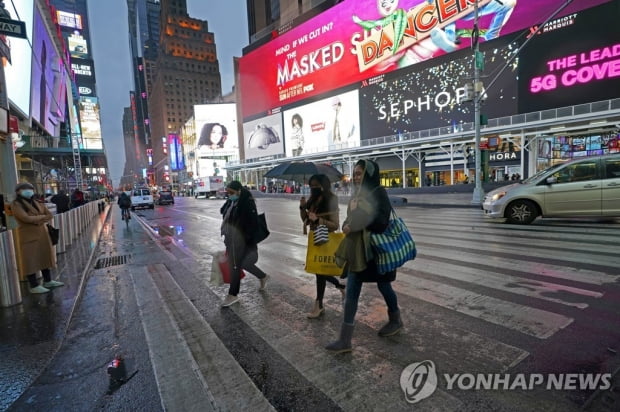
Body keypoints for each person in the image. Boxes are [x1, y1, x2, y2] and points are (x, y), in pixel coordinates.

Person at [326, 159, 403, 353]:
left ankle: (396, 319)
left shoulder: (378, 193)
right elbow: (351, 217)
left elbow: (381, 222)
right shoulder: (357, 194)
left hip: (376, 252)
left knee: (384, 285)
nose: (356, 177)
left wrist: (357, 224)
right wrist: (346, 224)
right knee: (352, 289)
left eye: (360, 173)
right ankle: (345, 340)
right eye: (355, 173)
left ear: (369, 174)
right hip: (358, 251)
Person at [300, 174, 345, 319]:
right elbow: (306, 221)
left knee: (319, 271)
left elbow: (335, 225)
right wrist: (302, 207)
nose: (313, 188)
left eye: (315, 185)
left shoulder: (332, 199)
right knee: (318, 270)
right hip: (314, 238)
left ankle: (319, 305)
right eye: (311, 185)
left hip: (325, 238)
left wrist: (318, 219)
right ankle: (340, 286)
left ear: (323, 186)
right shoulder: (312, 200)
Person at [220, 181, 268, 307]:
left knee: (236, 266)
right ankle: (263, 276)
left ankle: (233, 295)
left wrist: (241, 240)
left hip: (243, 242)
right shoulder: (232, 203)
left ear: (239, 191)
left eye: (232, 193)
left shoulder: (247, 204)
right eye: (228, 193)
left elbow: (252, 226)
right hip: (232, 241)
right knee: (238, 265)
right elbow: (225, 216)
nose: (229, 195)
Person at [11, 182, 64, 294]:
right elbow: (25, 218)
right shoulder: (16, 204)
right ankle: (33, 285)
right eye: (25, 189)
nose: (29, 191)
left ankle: (48, 280)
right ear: (18, 191)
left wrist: (36, 218)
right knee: (30, 260)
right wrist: (41, 218)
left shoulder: (36, 202)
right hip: (28, 235)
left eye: (30, 189)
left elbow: (49, 215)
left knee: (44, 256)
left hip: (43, 234)